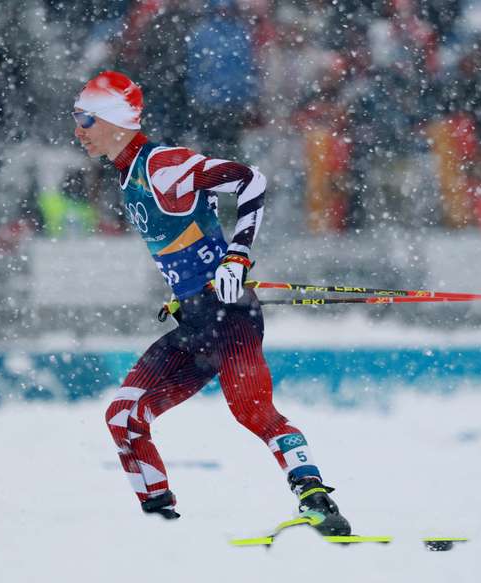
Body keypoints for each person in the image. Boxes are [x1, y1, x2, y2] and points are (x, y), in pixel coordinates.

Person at [72, 71, 349, 534]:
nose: (77, 130)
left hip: (231, 315)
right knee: (124, 415)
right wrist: (183, 296)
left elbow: (251, 180)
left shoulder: (162, 166)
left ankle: (316, 498)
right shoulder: (129, 174)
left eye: (85, 119)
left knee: (254, 413)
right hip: (196, 322)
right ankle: (159, 523)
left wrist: (237, 256)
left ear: (115, 121)